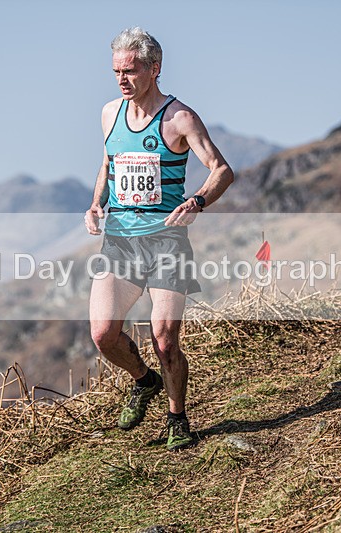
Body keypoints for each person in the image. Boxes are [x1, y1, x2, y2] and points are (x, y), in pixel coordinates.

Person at [84, 27, 234, 451]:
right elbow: (108, 162)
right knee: (103, 335)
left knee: (165, 338)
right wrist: (96, 204)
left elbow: (222, 170)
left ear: (154, 68)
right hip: (120, 243)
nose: (121, 79)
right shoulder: (109, 113)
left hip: (167, 243)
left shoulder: (180, 118)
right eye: (116, 71)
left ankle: (177, 418)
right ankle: (143, 381)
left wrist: (197, 201)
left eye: (129, 71)